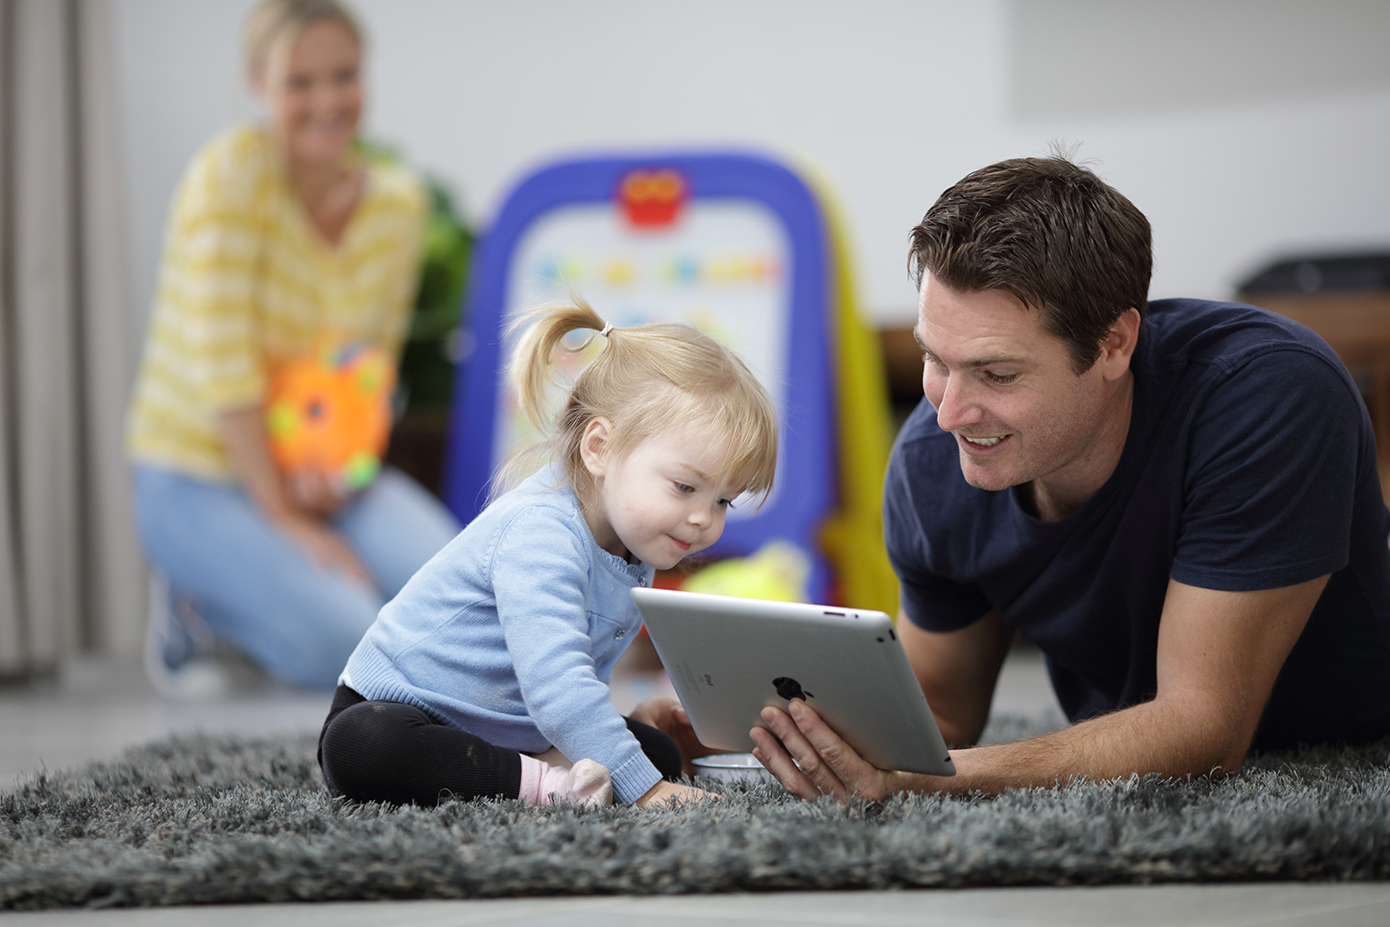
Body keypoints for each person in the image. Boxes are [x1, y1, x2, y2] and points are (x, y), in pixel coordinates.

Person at [749, 155, 1390, 801]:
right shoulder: (930, 461)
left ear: (1114, 344)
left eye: (997, 373)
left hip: (1358, 751)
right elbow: (938, 715)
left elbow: (1202, 724)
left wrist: (917, 780)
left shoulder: (1271, 395)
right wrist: (779, 733)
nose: (948, 414)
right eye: (934, 359)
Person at [317, 299, 779, 807]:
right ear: (599, 448)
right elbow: (557, 689)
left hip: (508, 724)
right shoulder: (541, 533)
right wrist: (646, 792)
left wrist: (633, 736)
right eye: (685, 487)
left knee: (660, 752)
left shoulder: (633, 542)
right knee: (363, 747)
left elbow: (575, 675)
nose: (703, 519)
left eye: (722, 501)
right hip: (404, 709)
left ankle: (543, 770)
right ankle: (551, 786)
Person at [125, 0, 460, 694]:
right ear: (259, 84)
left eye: (344, 76)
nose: (327, 101)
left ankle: (275, 589)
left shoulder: (397, 205)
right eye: (300, 83)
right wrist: (284, 515)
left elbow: (367, 369)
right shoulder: (228, 179)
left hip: (315, 467)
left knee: (460, 596)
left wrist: (335, 472)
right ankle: (197, 610)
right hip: (195, 472)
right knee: (348, 638)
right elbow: (225, 372)